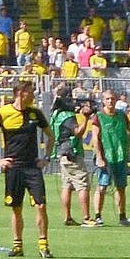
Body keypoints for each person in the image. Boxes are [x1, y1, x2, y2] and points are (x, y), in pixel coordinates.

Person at [0, 79, 55, 257]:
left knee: (41, 205)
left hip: (32, 167)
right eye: (31, 92)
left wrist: (46, 158)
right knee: (16, 208)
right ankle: (18, 246)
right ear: (21, 93)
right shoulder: (3, 112)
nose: (33, 95)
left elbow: (50, 136)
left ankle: (43, 246)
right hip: (13, 168)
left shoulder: (35, 113)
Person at [86, 91, 130, 226]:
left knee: (121, 187)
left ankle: (122, 217)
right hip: (106, 157)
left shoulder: (121, 115)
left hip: (120, 156)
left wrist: (128, 144)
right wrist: (99, 157)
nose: (110, 101)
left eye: (113, 99)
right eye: (108, 99)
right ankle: (98, 216)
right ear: (103, 101)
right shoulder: (99, 117)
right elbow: (95, 138)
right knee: (102, 187)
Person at [52, 93, 93, 225]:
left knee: (67, 185)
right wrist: (86, 119)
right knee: (83, 185)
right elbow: (78, 132)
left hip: (62, 152)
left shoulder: (56, 114)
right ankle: (86, 218)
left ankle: (67, 217)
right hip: (72, 153)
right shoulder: (67, 116)